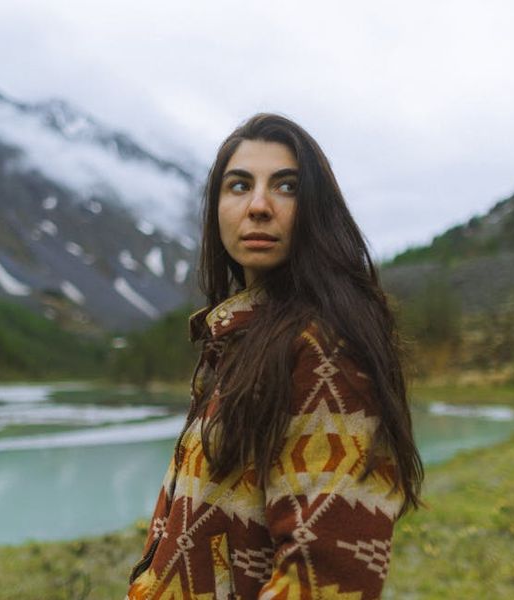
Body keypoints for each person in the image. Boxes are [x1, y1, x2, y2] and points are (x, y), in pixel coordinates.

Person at [127, 113, 423, 599]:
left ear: (315, 209)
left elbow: (326, 579)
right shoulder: (240, 341)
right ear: (216, 208)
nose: (259, 205)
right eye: (239, 186)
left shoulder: (325, 347)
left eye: (286, 187)